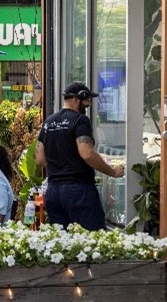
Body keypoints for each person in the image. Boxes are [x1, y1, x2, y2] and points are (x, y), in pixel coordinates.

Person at [35, 81, 125, 231]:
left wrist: (61, 165)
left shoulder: (49, 122)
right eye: (87, 100)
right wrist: (112, 171)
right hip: (78, 191)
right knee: (92, 239)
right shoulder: (80, 120)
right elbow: (87, 153)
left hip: (53, 192)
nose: (88, 104)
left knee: (63, 244)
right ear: (77, 99)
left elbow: (40, 158)